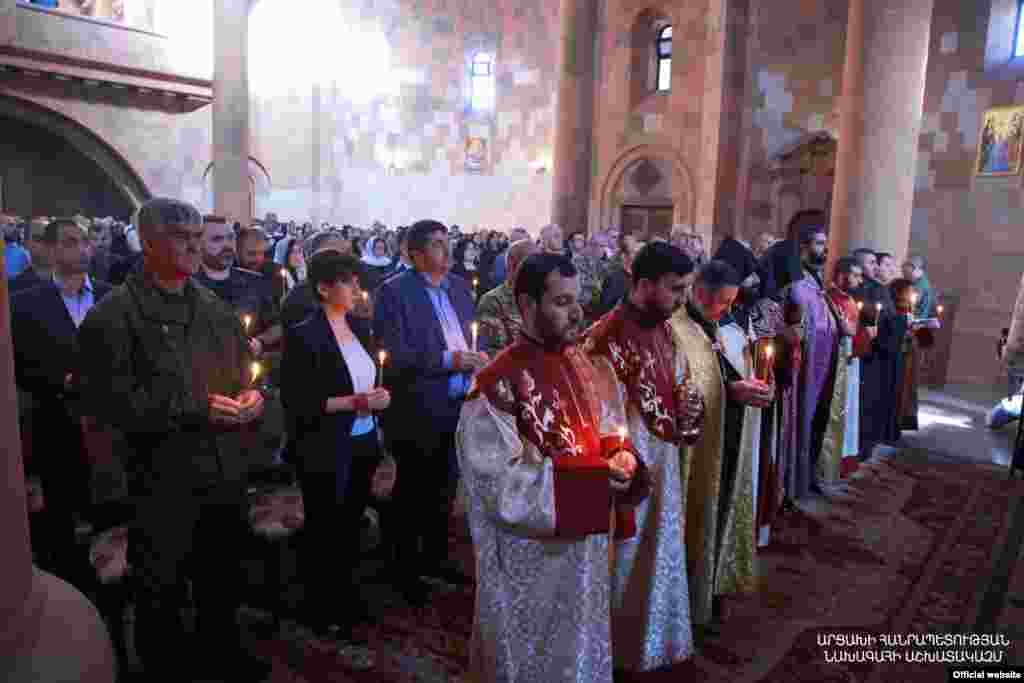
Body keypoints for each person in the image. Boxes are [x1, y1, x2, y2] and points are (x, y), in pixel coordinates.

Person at [76, 198, 270, 681]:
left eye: (196, 234)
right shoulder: (113, 317)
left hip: (222, 470)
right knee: (160, 591)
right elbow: (108, 408)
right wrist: (193, 409)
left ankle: (220, 652)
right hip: (157, 480)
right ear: (146, 242)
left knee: (220, 578)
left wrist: (254, 397)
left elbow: (244, 376)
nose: (193, 244)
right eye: (179, 235)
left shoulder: (213, 308)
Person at [457, 252, 648, 683]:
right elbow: (499, 487)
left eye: (577, 299)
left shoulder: (578, 362)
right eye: (561, 302)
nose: (577, 312)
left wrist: (620, 454)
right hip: (534, 559)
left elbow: (606, 427)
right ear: (527, 306)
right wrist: (595, 482)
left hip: (584, 545)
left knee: (580, 647)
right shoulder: (497, 384)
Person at [583, 242, 704, 671]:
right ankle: (616, 654)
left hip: (664, 458)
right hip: (628, 465)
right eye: (676, 290)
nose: (682, 300)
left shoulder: (663, 326)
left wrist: (689, 401)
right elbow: (598, 413)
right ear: (645, 284)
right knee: (627, 557)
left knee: (658, 551)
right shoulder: (605, 337)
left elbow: (680, 380)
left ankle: (655, 645)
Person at [280, 250, 388, 664]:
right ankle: (320, 607)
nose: (356, 289)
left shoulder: (361, 328)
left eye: (357, 282)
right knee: (325, 524)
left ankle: (347, 597)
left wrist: (379, 397)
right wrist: (355, 401)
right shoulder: (305, 333)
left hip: (362, 440)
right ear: (324, 287)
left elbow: (372, 376)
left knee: (350, 522)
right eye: (347, 282)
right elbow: (300, 401)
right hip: (324, 444)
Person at [373, 220, 486, 604]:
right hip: (418, 404)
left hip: (459, 403)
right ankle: (403, 567)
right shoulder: (394, 292)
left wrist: (477, 357)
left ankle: (435, 557)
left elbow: (472, 334)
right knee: (414, 488)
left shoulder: (457, 287)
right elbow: (395, 354)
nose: (446, 250)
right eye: (436, 244)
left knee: (446, 485)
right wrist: (449, 359)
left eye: (447, 242)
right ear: (415, 253)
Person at [669, 260, 773, 632]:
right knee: (695, 517)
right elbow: (683, 388)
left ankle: (710, 591)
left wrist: (753, 385)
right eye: (723, 303)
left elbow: (726, 370)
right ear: (700, 293)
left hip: (727, 433)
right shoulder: (676, 330)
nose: (729, 310)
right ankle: (686, 605)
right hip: (694, 447)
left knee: (721, 510)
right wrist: (732, 389)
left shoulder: (721, 327)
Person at [12, 218, 112, 592]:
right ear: (51, 250)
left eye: (85, 241)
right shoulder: (24, 305)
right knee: (60, 531)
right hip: (55, 431)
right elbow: (19, 368)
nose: (82, 249)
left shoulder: (109, 296)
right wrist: (58, 382)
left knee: (109, 528)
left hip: (109, 434)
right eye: (71, 242)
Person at [784, 226, 843, 497]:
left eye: (825, 244)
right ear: (805, 247)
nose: (825, 249)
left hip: (823, 363)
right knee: (803, 419)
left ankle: (809, 475)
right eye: (819, 243)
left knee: (817, 419)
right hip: (805, 365)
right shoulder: (797, 282)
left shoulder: (816, 281)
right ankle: (794, 480)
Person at [851, 248, 905, 459]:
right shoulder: (862, 289)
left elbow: (885, 318)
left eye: (876, 263)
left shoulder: (878, 288)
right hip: (866, 354)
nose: (876, 266)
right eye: (871, 262)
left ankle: (868, 444)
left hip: (879, 352)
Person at [826, 257, 875, 478]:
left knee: (849, 414)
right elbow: (841, 335)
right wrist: (862, 335)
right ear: (840, 275)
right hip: (838, 367)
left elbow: (853, 334)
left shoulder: (849, 300)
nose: (859, 279)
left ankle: (844, 458)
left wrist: (863, 335)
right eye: (855, 275)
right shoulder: (831, 299)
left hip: (850, 366)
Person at [476, 238, 537, 353]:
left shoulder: (542, 298)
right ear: (512, 265)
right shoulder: (492, 301)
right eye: (532, 263)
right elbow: (492, 353)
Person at [593, 231, 647, 319]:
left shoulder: (644, 280)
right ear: (624, 257)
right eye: (635, 253)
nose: (640, 257)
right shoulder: (613, 279)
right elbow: (606, 311)